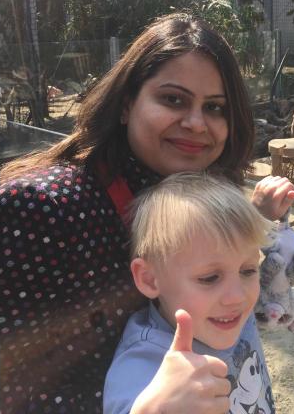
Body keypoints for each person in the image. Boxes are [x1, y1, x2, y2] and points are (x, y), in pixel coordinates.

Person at [0, 12, 294, 413]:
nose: (196, 123)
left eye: (214, 107)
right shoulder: (42, 208)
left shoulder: (203, 191)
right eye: (173, 99)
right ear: (127, 104)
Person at [104, 171, 275, 414]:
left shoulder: (230, 314)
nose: (238, 296)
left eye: (248, 271)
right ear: (150, 279)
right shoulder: (145, 361)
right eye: (210, 278)